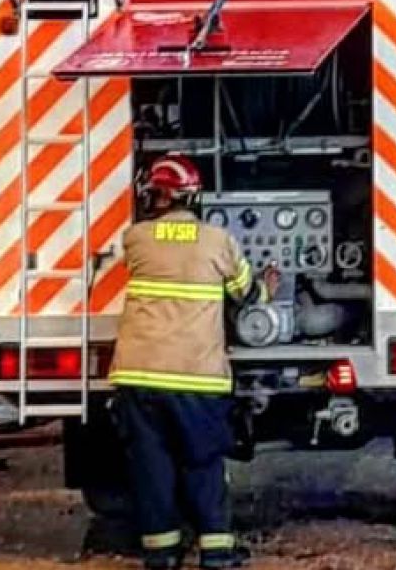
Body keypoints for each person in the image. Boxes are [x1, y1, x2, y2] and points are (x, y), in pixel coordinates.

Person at [108, 155, 277, 570]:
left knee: (153, 469)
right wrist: (269, 285)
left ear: (156, 196)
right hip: (195, 377)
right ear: (193, 196)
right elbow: (246, 295)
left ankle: (161, 555)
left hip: (138, 375)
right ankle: (217, 552)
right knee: (202, 463)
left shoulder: (136, 238)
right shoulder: (217, 241)